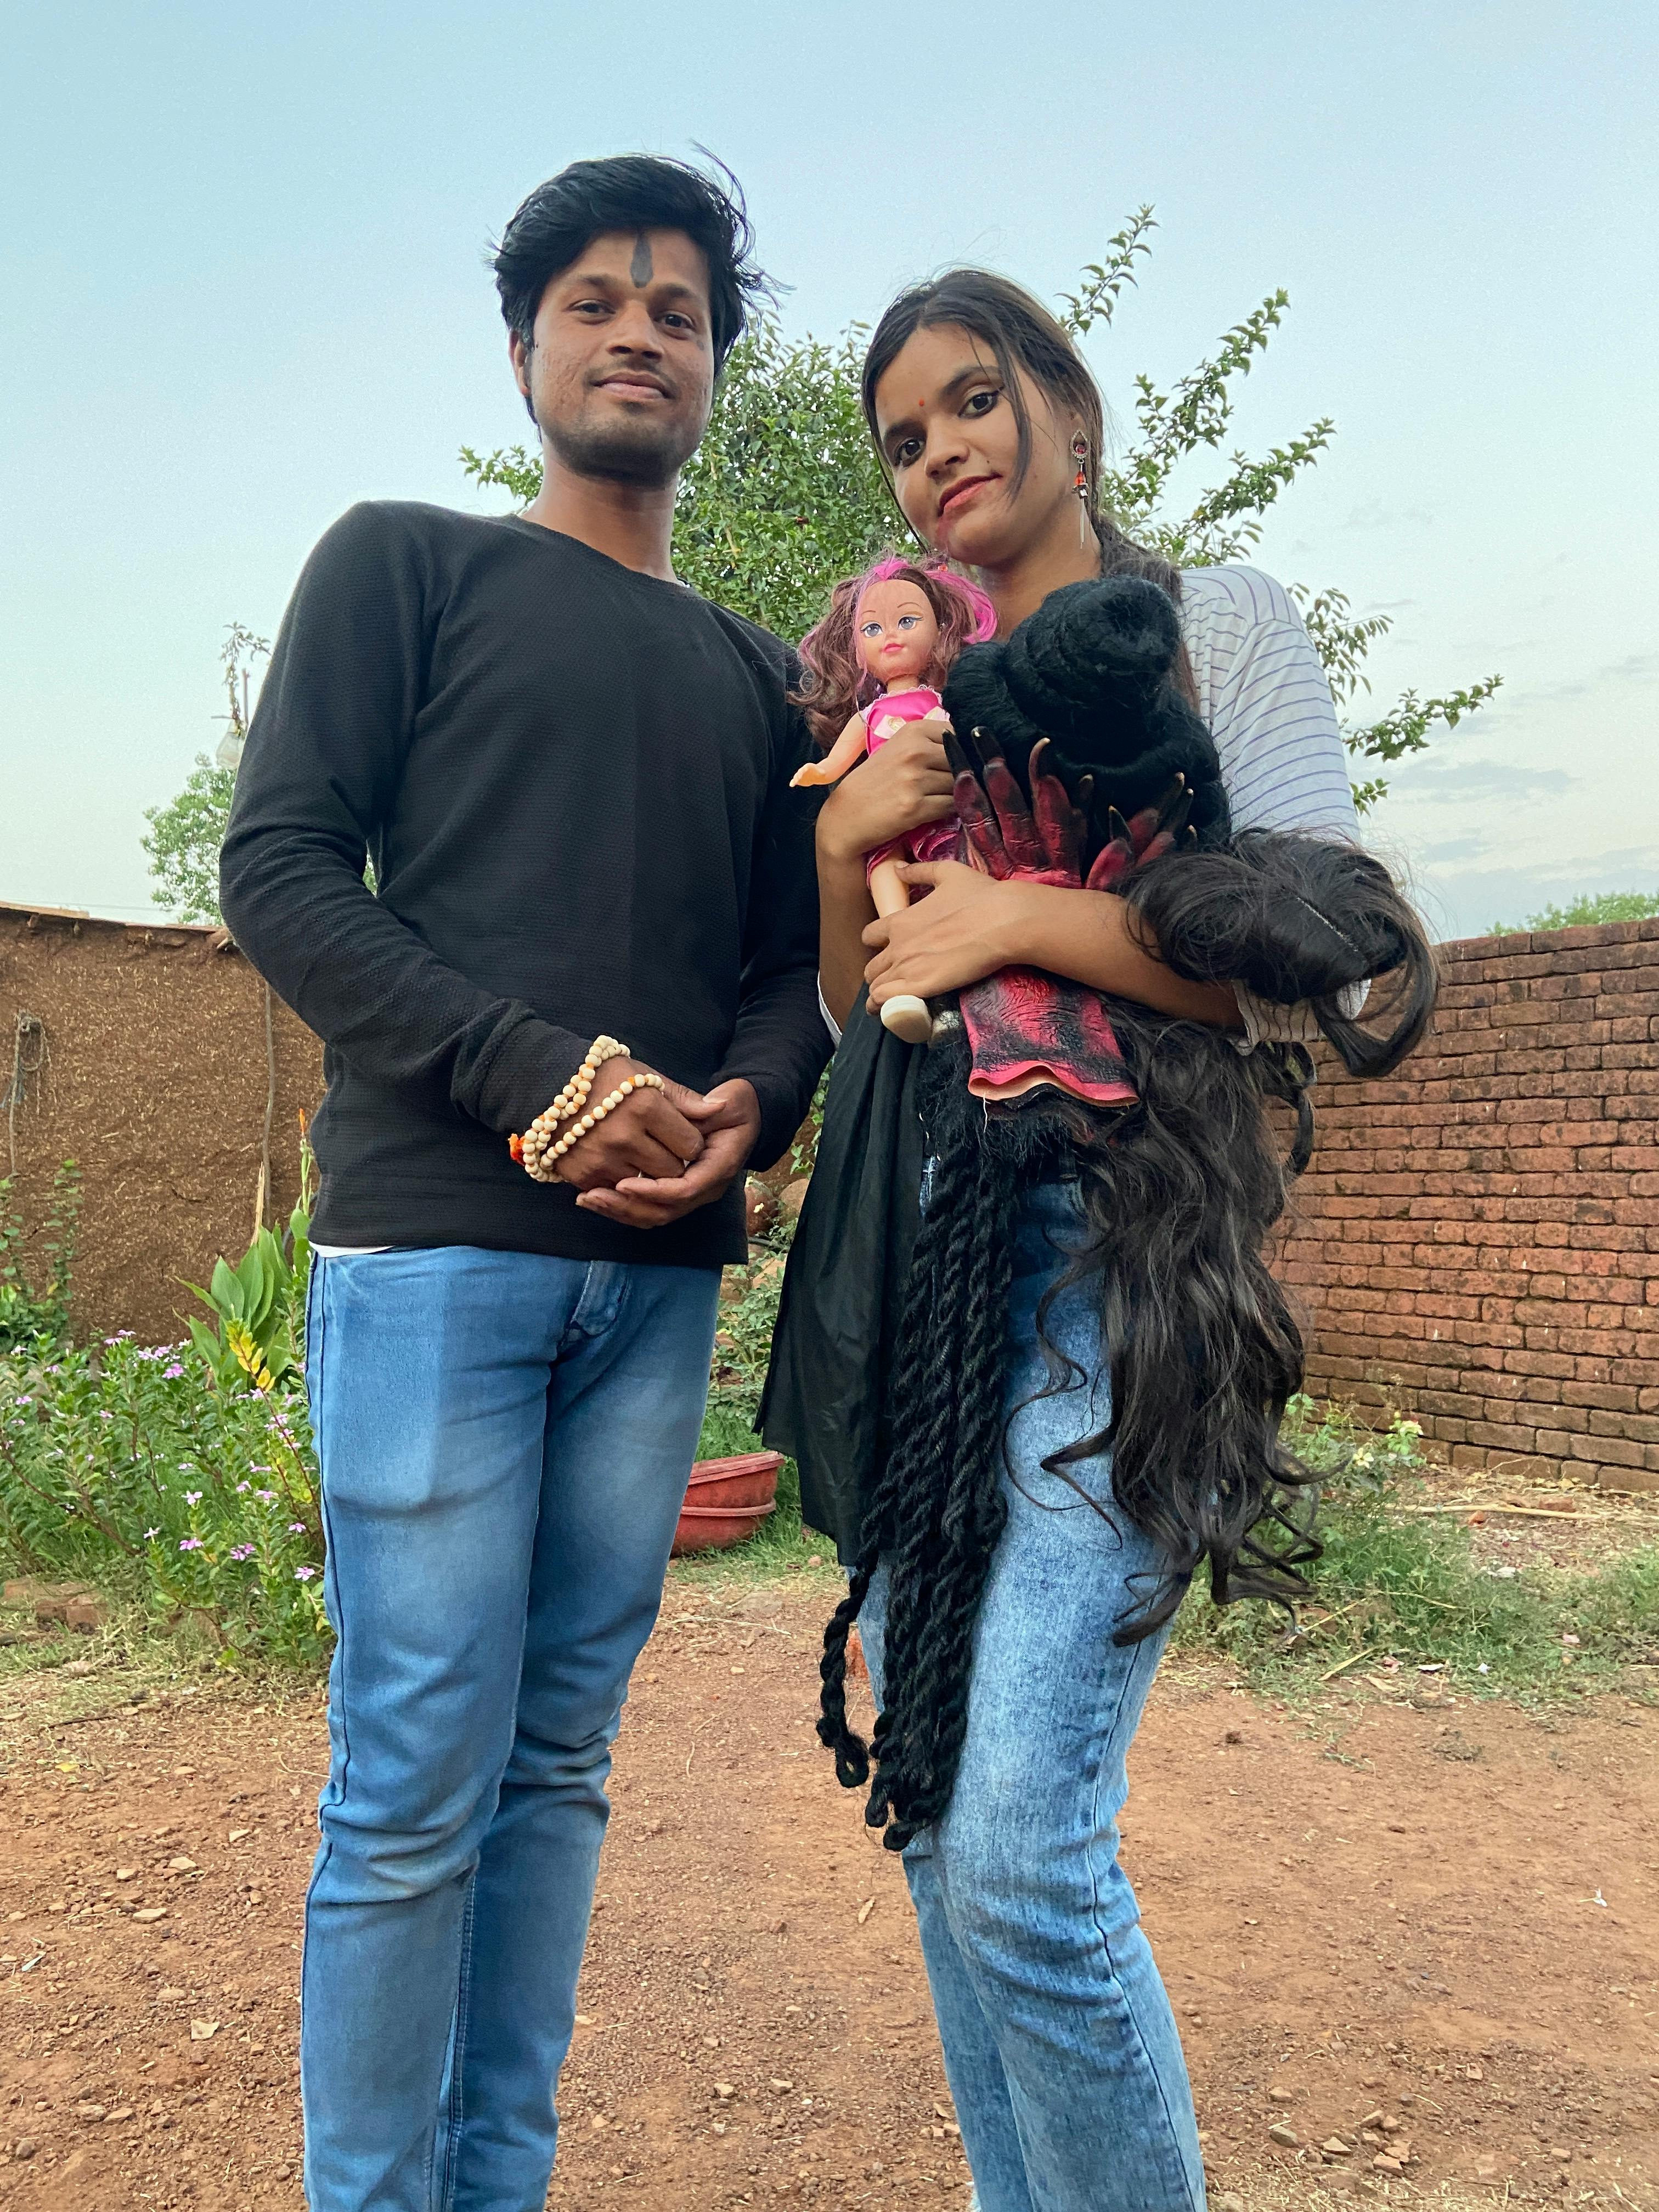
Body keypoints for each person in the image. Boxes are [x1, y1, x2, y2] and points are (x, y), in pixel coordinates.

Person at [218, 154, 827, 2212]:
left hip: (654, 1290)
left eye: (678, 307)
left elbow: (789, 974)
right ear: (524, 349)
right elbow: (280, 874)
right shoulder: (408, 568)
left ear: (717, 374)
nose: (639, 327)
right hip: (430, 1264)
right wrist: (523, 1068)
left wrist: (753, 1108)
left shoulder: (762, 678)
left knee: (554, 1772)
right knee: (410, 1793)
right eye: (595, 298)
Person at [766, 270, 1396, 2212]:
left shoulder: (1215, 626)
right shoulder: (918, 696)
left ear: (1069, 404)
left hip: (1115, 1265)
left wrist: (1028, 922)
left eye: (971, 401)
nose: (940, 451)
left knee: (1027, 1850)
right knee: (939, 1818)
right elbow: (858, 1006)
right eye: (903, 436)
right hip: (923, 1272)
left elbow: (1316, 957)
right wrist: (835, 850)